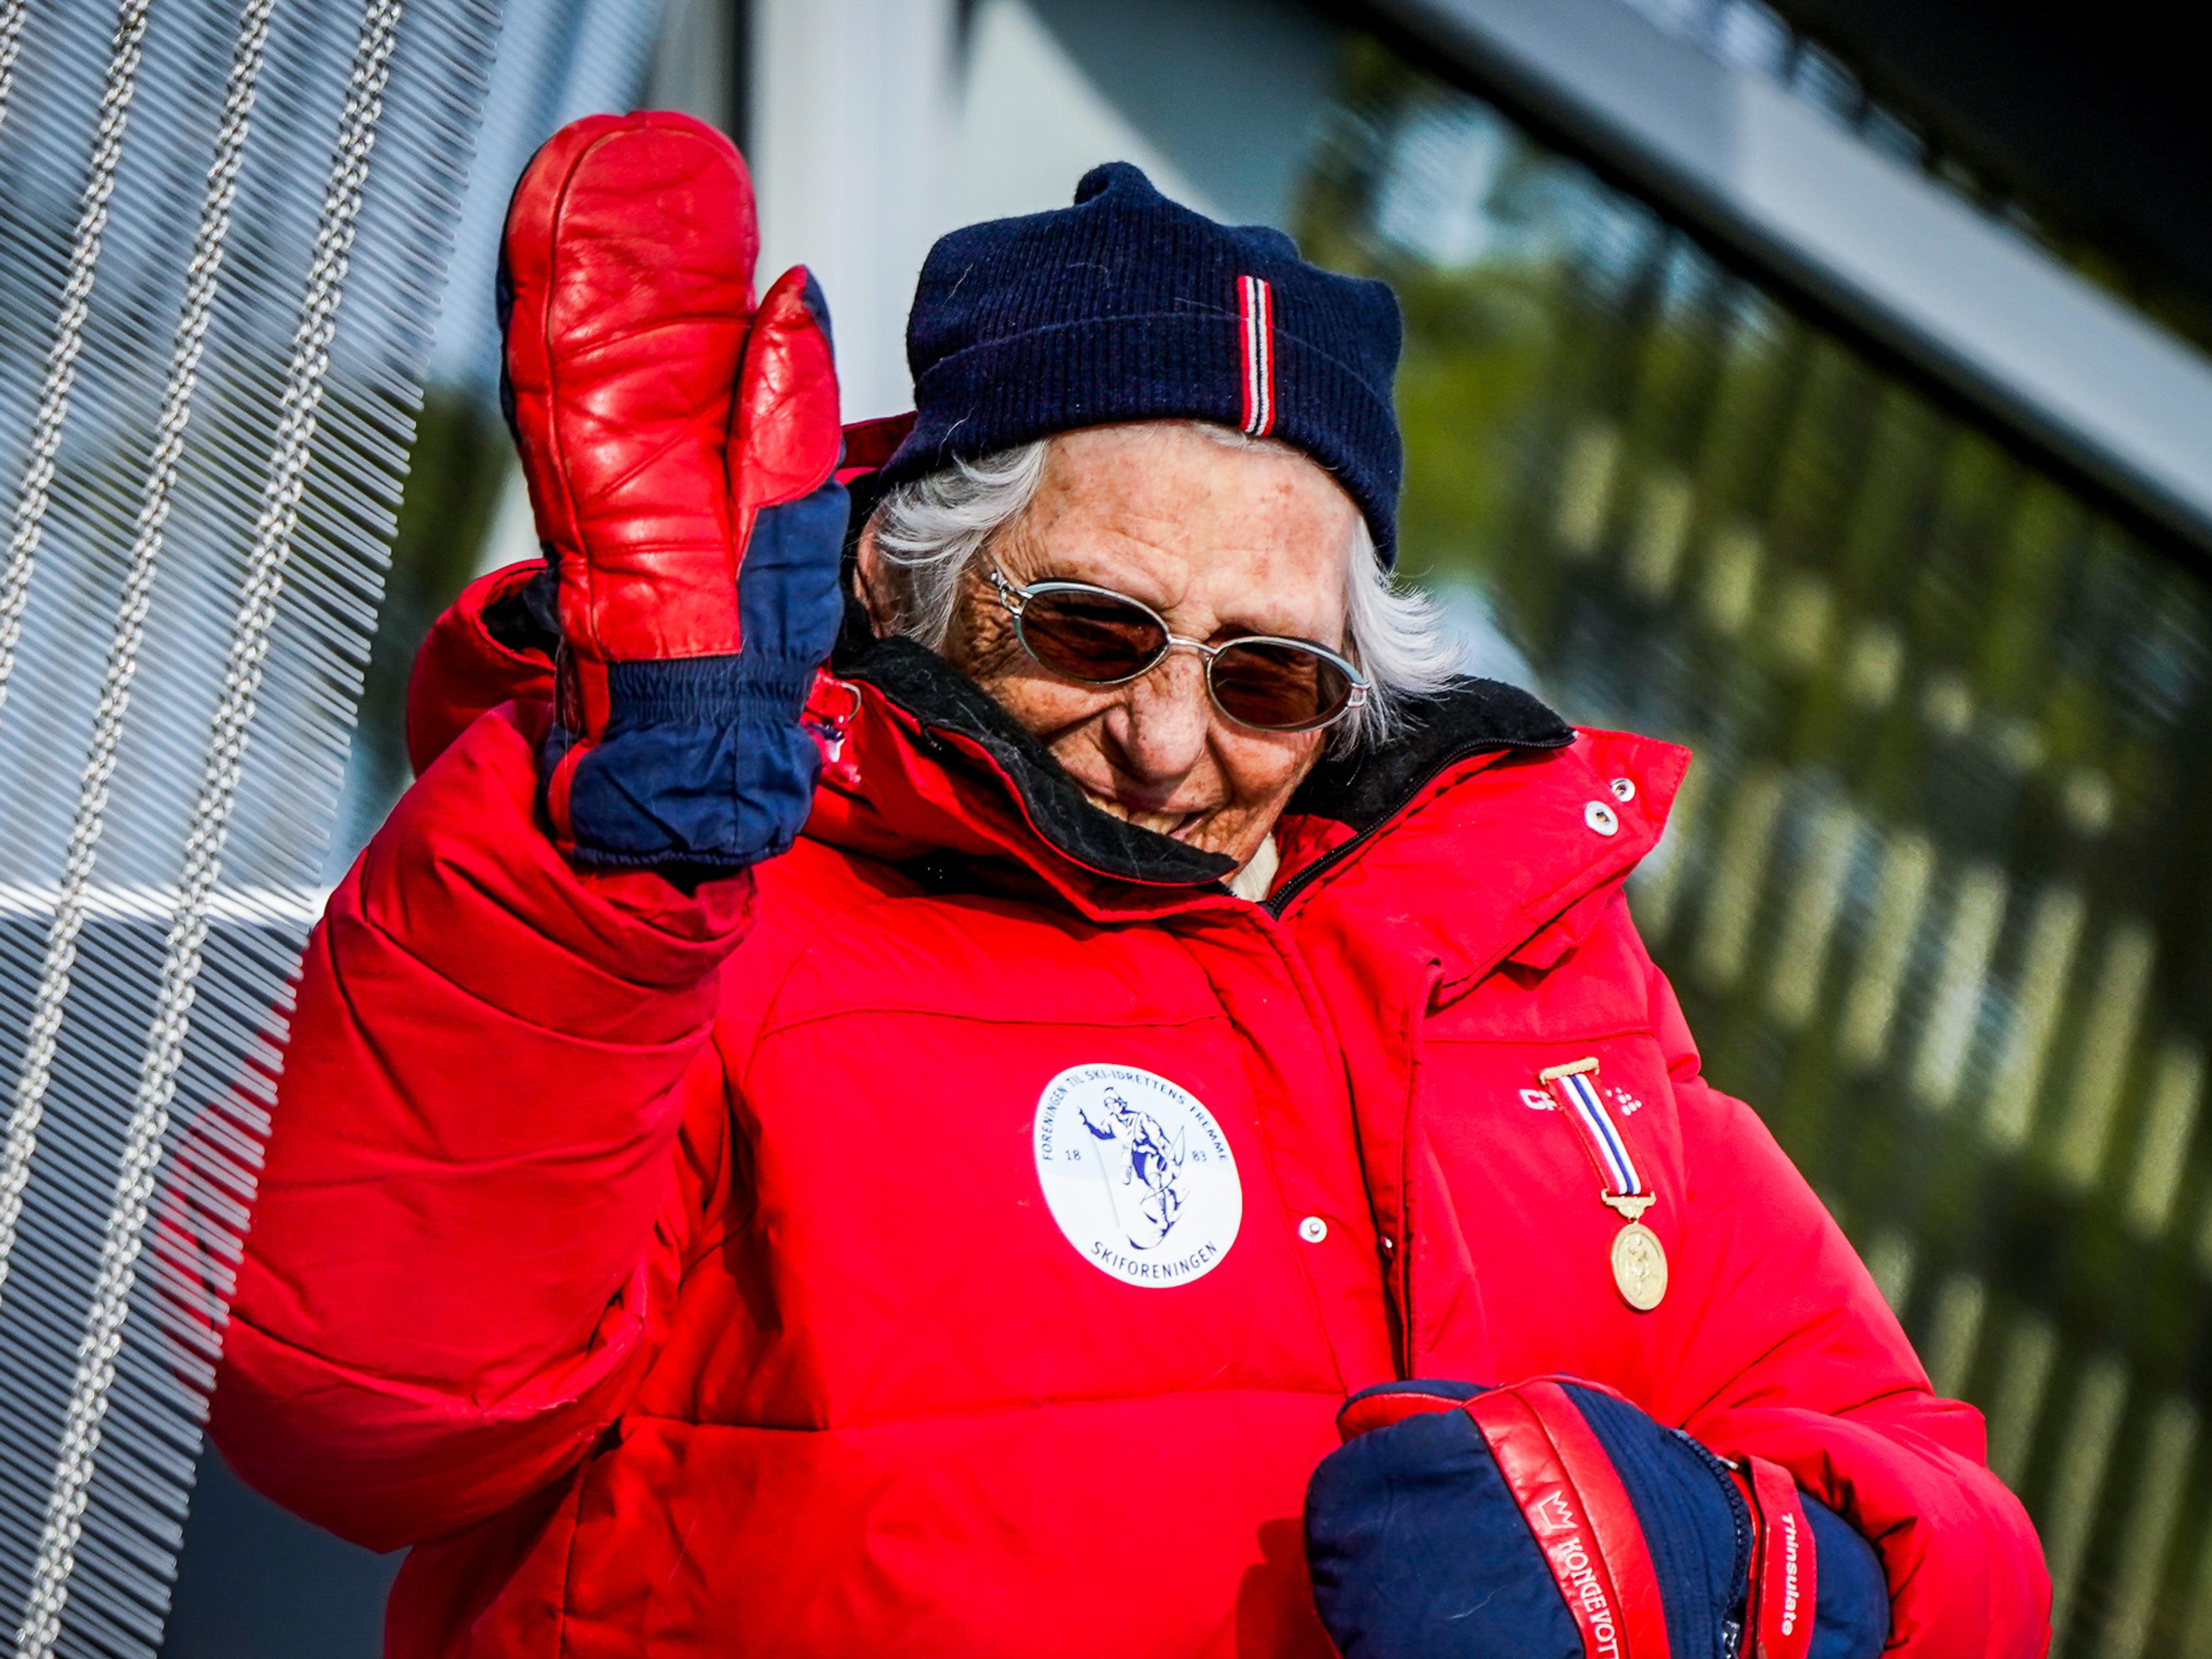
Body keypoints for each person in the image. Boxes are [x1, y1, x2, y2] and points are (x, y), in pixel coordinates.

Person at [206, 111, 2049, 1658]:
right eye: (1094, 630)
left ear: (1356, 688)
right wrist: (603, 877)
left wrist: (1718, 1578)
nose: (1168, 741)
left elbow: (1954, 1539)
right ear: (910, 587)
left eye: (1267, 677)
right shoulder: (707, 899)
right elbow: (363, 1413)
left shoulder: (1543, 990)